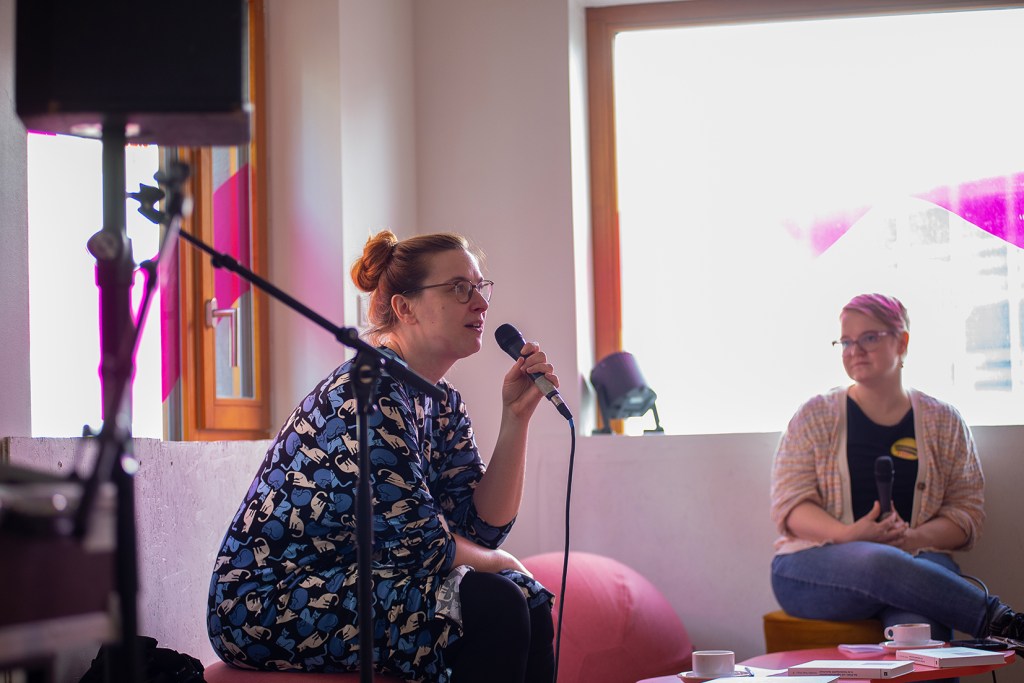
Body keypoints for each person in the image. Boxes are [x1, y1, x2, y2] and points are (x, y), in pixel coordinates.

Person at [207, 230, 556, 683]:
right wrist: (506, 562)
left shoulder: (441, 400)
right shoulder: (369, 393)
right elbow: (428, 548)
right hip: (268, 599)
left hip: (359, 579)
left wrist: (516, 418)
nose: (480, 303)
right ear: (404, 308)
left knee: (529, 599)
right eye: (459, 288)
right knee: (497, 603)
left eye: (479, 287)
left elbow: (481, 529)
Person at [770, 293, 1024, 647]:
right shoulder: (814, 415)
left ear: (902, 342)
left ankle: (989, 626)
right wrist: (849, 535)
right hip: (812, 570)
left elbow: (967, 515)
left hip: (917, 563)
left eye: (869, 338)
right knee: (881, 562)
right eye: (846, 341)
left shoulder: (944, 421)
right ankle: (1006, 625)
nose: (855, 350)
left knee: (921, 630)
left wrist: (912, 539)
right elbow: (791, 505)